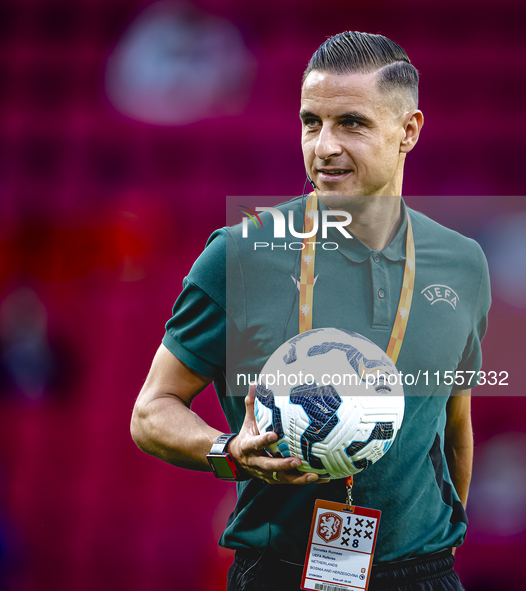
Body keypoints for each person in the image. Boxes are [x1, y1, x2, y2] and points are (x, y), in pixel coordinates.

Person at [131, 31, 490, 591]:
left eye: (351, 122)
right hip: (279, 574)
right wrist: (225, 451)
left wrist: (439, 549)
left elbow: (454, 422)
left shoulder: (463, 264)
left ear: (409, 132)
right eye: (310, 122)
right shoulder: (241, 253)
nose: (323, 146)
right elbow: (151, 411)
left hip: (423, 575)